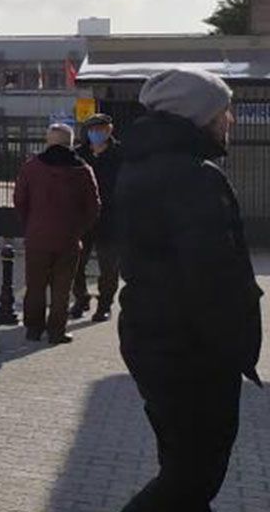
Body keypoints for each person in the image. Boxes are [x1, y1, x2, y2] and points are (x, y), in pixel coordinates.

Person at [116, 69, 263, 512]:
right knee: (192, 478)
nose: (230, 120)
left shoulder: (144, 165)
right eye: (223, 111)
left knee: (184, 471)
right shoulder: (194, 177)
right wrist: (235, 346)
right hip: (190, 351)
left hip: (157, 339)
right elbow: (212, 277)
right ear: (199, 116)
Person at [14, 123, 101, 344]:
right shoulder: (83, 170)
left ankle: (34, 329)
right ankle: (56, 331)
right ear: (71, 143)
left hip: (37, 237)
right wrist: (78, 230)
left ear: (48, 141)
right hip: (68, 239)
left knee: (35, 285)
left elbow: (20, 200)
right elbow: (93, 207)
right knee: (62, 289)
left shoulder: (32, 167)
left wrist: (30, 224)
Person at [70, 113, 124, 322]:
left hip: (111, 218)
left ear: (109, 130)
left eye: (100, 130)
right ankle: (81, 298)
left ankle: (104, 305)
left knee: (109, 266)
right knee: (75, 262)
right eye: (92, 130)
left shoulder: (120, 154)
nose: (96, 134)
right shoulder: (79, 154)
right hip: (83, 218)